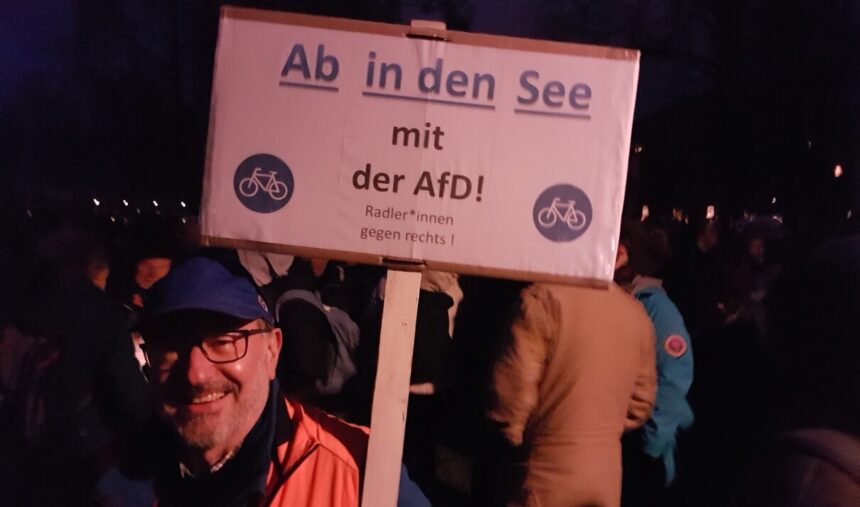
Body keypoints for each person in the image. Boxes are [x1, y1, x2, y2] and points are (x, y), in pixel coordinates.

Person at [134, 255, 429, 506]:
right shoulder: (112, 475)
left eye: (224, 342)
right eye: (169, 347)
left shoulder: (358, 467)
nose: (195, 373)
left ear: (271, 352)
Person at [487, 280, 657, 507]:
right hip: (604, 478)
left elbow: (510, 397)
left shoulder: (542, 299)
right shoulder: (635, 313)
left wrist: (514, 436)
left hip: (542, 475)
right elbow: (641, 403)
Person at [615, 220, 694, 506]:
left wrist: (651, 445)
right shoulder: (628, 299)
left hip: (649, 450)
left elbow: (674, 375)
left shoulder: (657, 308)